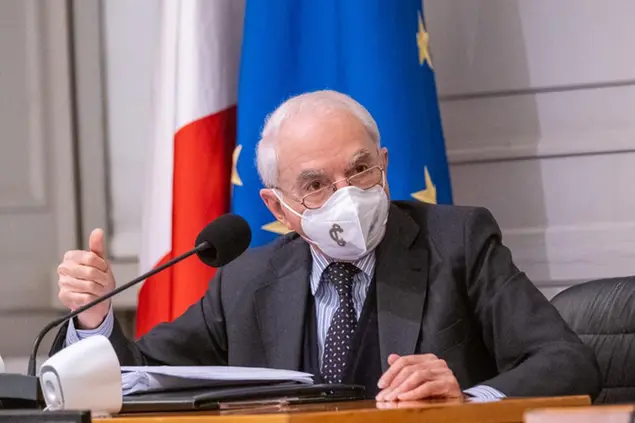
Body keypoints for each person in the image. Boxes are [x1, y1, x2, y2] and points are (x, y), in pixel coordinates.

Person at [52, 90, 601, 402]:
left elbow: (566, 362)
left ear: (384, 166)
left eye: (361, 170)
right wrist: (97, 317)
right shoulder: (247, 283)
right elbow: (137, 379)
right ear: (277, 207)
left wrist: (467, 397)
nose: (347, 195)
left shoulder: (458, 241)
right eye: (316, 184)